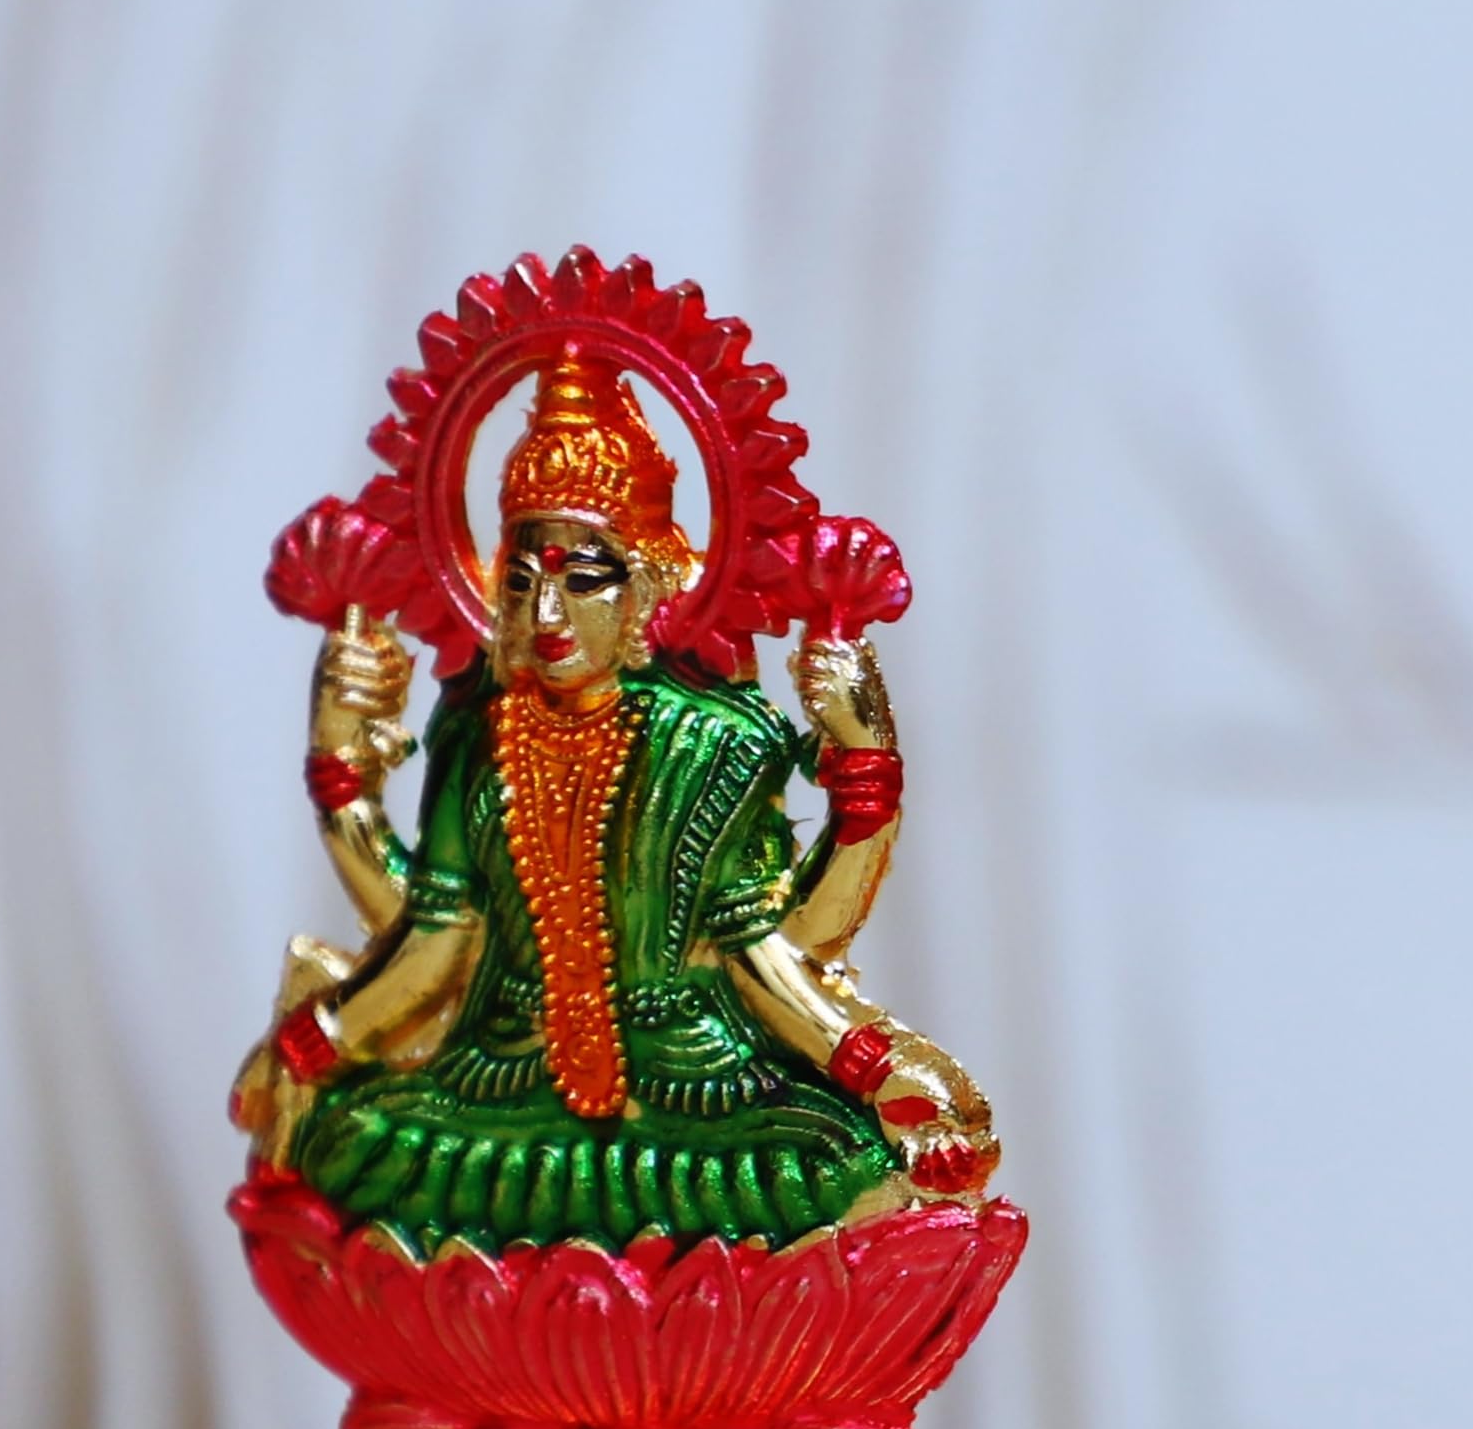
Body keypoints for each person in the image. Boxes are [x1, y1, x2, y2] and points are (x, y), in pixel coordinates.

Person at [232, 351, 995, 1250]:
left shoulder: (714, 743)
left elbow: (776, 953)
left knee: (829, 1168)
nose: (547, 615)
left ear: (651, 581)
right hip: (500, 1098)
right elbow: (434, 945)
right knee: (351, 1141)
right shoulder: (478, 735)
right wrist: (311, 1042)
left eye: (583, 579)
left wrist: (879, 1065)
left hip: (699, 1096)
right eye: (522, 582)